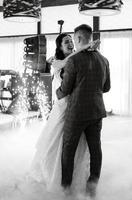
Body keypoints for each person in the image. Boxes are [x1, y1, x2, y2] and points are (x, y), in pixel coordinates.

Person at [30, 32, 100, 197]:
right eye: (66, 42)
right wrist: (84, 47)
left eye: (71, 41)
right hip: (62, 107)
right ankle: (56, 179)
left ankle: (77, 179)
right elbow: (66, 62)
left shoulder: (78, 59)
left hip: (79, 108)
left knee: (78, 145)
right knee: (57, 143)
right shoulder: (57, 62)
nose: (70, 44)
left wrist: (89, 51)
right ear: (60, 47)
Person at [56, 24, 111, 197]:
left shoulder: (73, 60)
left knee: (68, 150)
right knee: (96, 149)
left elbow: (65, 90)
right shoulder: (104, 60)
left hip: (77, 114)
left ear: (79, 38)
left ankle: (66, 188)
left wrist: (57, 92)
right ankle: (92, 185)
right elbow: (107, 87)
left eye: (74, 39)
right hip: (96, 112)